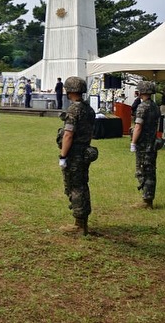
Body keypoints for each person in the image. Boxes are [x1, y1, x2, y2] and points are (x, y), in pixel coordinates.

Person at [57, 76, 96, 235]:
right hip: (85, 151)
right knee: (82, 184)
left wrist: (63, 156)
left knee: (75, 186)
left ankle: (79, 225)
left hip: (75, 154)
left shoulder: (74, 109)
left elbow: (68, 135)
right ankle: (82, 221)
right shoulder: (89, 109)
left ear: (70, 91)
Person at [130, 80, 160, 209]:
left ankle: (146, 201)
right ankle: (149, 199)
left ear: (141, 91)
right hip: (152, 143)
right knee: (151, 171)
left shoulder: (142, 107)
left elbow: (138, 126)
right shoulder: (155, 106)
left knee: (142, 171)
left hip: (143, 145)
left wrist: (133, 142)